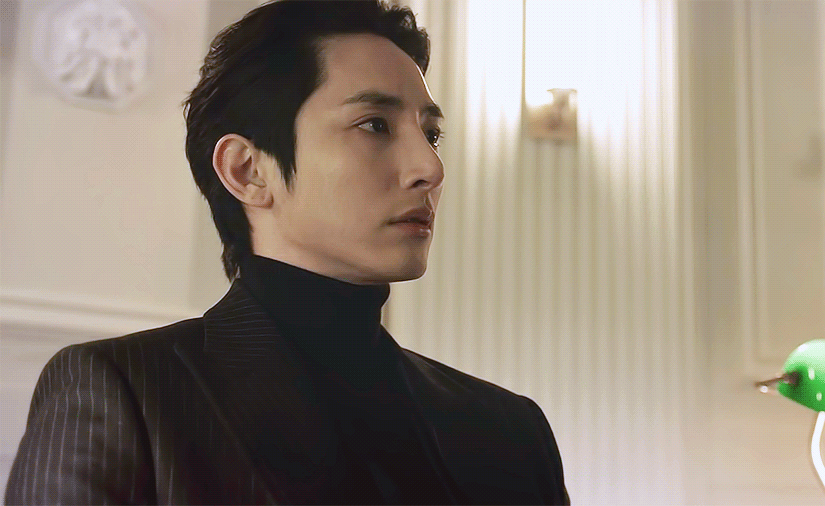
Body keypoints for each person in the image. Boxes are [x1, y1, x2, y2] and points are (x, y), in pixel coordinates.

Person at [4, 1, 569, 504]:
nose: (430, 168)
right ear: (248, 171)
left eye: (432, 133)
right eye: (375, 124)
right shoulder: (126, 394)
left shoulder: (509, 430)